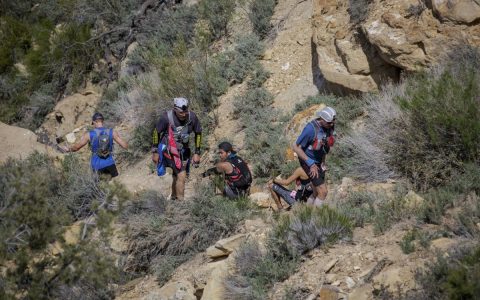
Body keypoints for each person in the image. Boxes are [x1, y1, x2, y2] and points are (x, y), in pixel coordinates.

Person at [152, 97, 202, 200]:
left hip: (184, 150)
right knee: (182, 175)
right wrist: (155, 151)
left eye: (185, 112)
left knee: (177, 175)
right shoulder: (166, 118)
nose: (183, 115)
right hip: (168, 150)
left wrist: (197, 152)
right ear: (175, 109)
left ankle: (174, 198)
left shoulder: (192, 117)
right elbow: (156, 132)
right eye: (181, 112)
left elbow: (198, 133)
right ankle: (180, 205)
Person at [292, 107, 336, 207]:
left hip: (319, 161)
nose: (332, 124)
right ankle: (315, 219)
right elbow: (296, 147)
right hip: (308, 161)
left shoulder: (329, 126)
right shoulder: (310, 129)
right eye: (329, 122)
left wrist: (323, 162)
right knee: (323, 192)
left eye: (333, 122)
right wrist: (311, 164)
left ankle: (307, 213)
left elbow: (325, 144)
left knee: (316, 191)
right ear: (322, 119)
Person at [62, 112, 128, 178]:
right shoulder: (112, 132)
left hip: (97, 166)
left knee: (99, 188)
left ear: (94, 122)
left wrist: (68, 149)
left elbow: (76, 147)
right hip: (110, 164)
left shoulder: (89, 134)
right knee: (115, 186)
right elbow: (125, 146)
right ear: (102, 121)